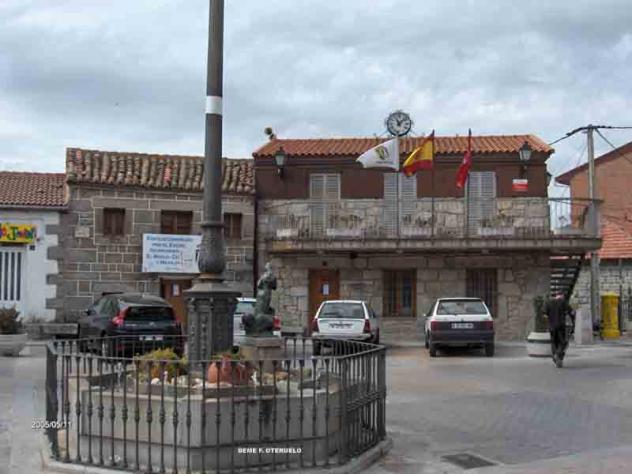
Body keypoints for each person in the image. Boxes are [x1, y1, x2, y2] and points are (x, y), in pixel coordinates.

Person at [545, 293, 575, 368]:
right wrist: (573, 320)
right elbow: (572, 312)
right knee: (563, 342)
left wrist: (549, 322)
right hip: (561, 326)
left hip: (552, 327)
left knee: (553, 342)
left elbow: (544, 314)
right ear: (562, 296)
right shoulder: (563, 302)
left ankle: (556, 358)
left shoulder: (549, 303)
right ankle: (558, 355)